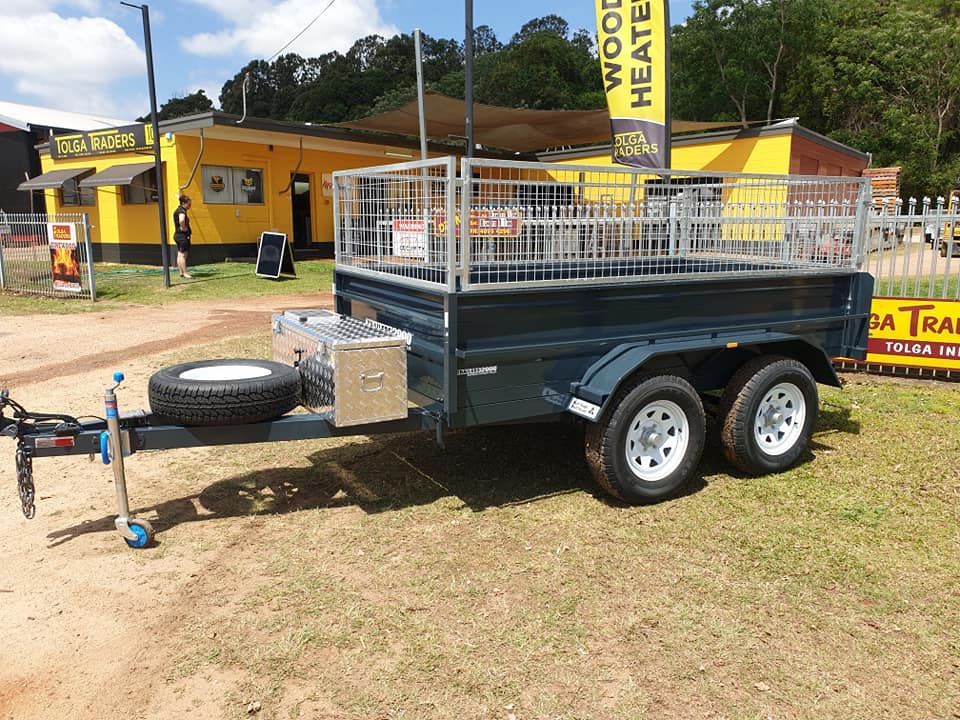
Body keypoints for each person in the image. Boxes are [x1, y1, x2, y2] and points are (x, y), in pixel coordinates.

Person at [172, 194, 193, 279]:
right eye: (188, 204)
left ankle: (181, 272)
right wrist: (183, 228)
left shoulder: (178, 210)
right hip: (182, 236)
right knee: (183, 255)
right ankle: (185, 273)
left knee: (180, 254)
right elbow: (181, 220)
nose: (189, 206)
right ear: (183, 203)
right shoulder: (181, 211)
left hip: (177, 235)